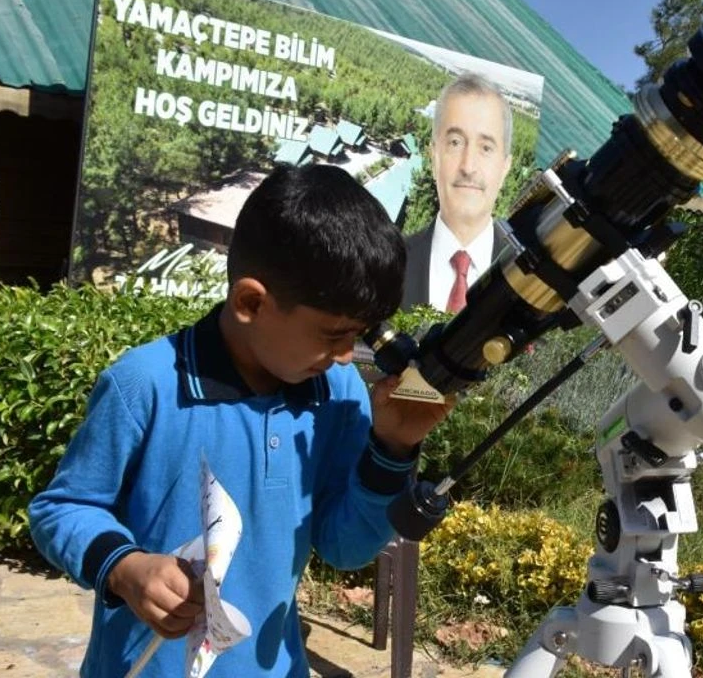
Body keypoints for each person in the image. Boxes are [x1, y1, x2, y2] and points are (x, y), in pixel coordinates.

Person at [28, 164, 451, 678]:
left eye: (359, 335)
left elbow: (346, 547)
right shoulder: (146, 383)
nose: (346, 356)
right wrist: (125, 568)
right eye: (333, 334)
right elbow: (63, 507)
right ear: (251, 302)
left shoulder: (337, 394)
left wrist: (392, 446)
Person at [401, 72, 514, 312]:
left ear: (505, 167)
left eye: (486, 147)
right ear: (433, 158)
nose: (468, 166)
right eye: (455, 142)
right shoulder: (387, 269)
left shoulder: (533, 279)